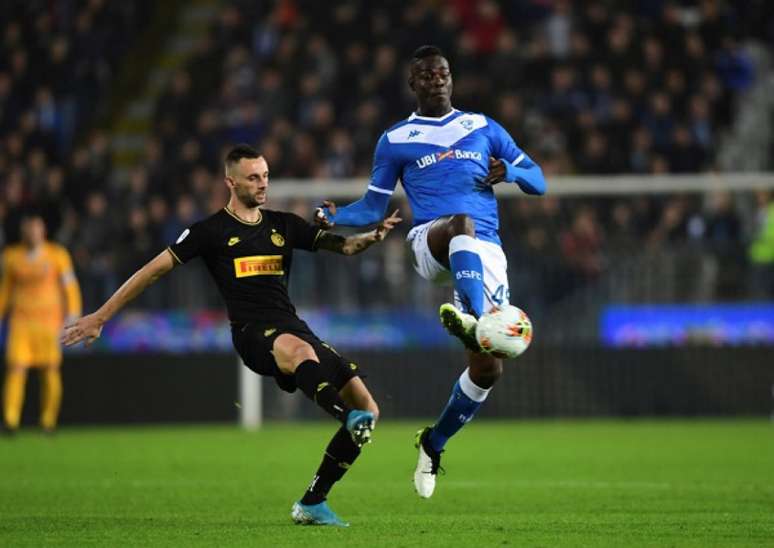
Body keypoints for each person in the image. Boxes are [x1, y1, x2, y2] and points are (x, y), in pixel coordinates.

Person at [62, 145, 402, 527]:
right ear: (231, 181)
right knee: (303, 354)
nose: (262, 184)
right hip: (251, 333)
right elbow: (153, 270)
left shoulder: (283, 225)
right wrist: (102, 315)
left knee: (369, 408)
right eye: (254, 177)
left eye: (266, 176)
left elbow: (344, 246)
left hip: (291, 326)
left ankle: (313, 501)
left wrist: (372, 237)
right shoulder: (209, 232)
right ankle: (345, 416)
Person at [316, 46, 546, 498]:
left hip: (485, 254)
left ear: (451, 78)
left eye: (442, 73)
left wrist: (512, 171)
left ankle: (433, 442)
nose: (436, 80)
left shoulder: (482, 127)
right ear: (413, 84)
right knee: (461, 221)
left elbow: (540, 180)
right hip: (431, 241)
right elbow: (372, 206)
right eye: (425, 75)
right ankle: (477, 320)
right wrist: (335, 213)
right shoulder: (396, 139)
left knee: (487, 371)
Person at [1, 212, 82, 434]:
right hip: (21, 322)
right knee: (16, 369)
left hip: (49, 323)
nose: (33, 233)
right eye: (29, 229)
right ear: (23, 232)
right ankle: (10, 421)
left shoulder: (57, 255)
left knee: (50, 370)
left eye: (37, 228)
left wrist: (73, 313)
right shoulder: (11, 257)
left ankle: (48, 422)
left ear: (43, 231)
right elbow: (5, 291)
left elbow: (70, 286)